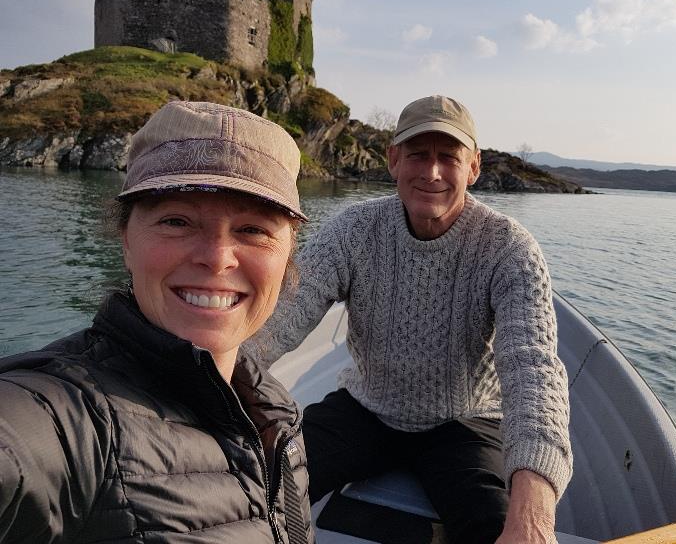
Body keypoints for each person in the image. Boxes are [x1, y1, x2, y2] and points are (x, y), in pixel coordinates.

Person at [252, 95, 573, 543]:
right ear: (393, 159)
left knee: (496, 529)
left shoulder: (509, 247)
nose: (432, 172)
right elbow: (283, 317)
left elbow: (532, 368)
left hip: (466, 421)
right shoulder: (352, 231)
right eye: (419, 154)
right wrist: (209, 381)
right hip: (367, 408)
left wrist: (534, 517)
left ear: (474, 167)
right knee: (260, 486)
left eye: (449, 157)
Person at [0, 101, 315, 543]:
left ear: (287, 256)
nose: (217, 257)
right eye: (176, 221)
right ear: (126, 240)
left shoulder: (272, 406)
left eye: (253, 229)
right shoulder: (68, 415)